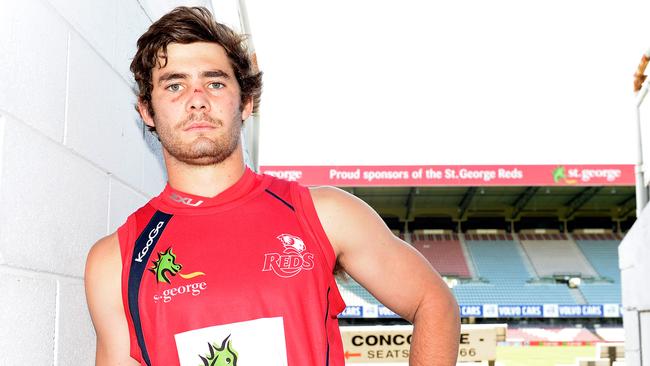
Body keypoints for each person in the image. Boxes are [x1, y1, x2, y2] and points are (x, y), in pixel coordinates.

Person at [85, 6, 459, 366]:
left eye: (214, 82)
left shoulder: (325, 214)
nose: (197, 100)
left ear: (246, 102)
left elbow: (434, 302)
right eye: (175, 85)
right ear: (147, 111)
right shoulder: (115, 260)